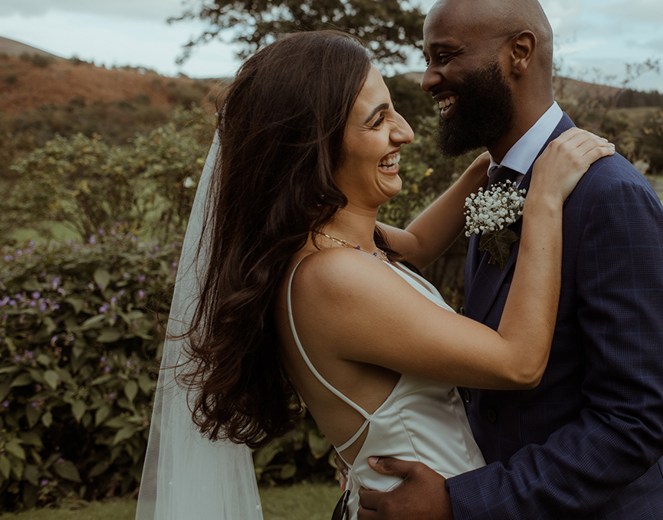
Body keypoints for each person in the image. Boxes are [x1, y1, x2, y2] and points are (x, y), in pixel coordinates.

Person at [134, 29, 614, 520]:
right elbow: (518, 363)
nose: (404, 132)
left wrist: (500, 160)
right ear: (315, 145)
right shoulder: (333, 277)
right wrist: (544, 200)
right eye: (378, 120)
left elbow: (417, 246)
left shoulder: (327, 240)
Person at [357, 0, 663, 519]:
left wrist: (461, 503)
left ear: (519, 53)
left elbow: (633, 423)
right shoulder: (496, 181)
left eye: (445, 56)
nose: (427, 80)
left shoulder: (610, 196)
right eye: (427, 59)